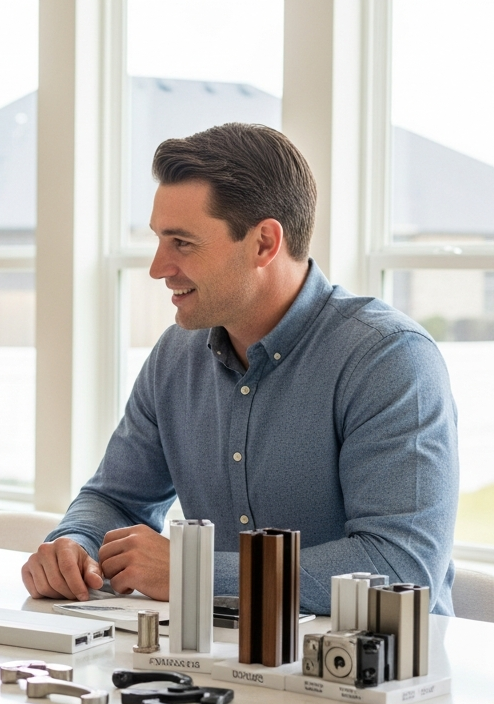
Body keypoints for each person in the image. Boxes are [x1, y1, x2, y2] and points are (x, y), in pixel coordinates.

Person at [23, 123, 457, 615]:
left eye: (182, 243)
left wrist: (194, 571)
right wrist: (74, 543)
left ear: (264, 244)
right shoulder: (176, 354)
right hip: (223, 665)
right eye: (159, 240)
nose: (158, 267)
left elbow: (401, 566)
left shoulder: (389, 359)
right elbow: (116, 499)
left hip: (379, 676)